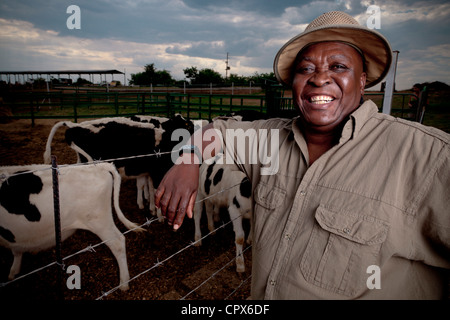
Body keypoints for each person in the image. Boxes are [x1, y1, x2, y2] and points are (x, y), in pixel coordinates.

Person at [155, 11, 450, 299]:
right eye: (306, 69)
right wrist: (189, 158)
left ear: (362, 82)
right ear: (293, 84)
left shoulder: (427, 156)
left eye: (338, 67)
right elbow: (217, 130)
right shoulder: (269, 140)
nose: (319, 79)